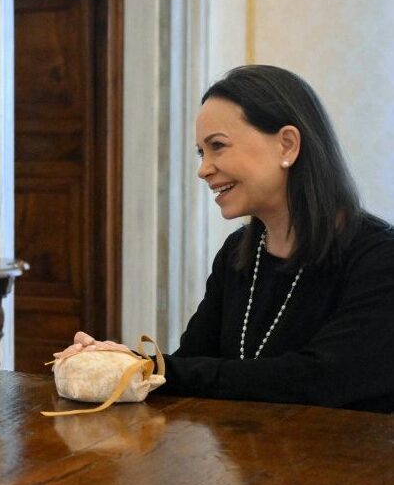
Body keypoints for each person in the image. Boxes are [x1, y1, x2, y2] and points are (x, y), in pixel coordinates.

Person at [61, 64, 394, 412]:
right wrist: (114, 364)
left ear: (287, 145)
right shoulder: (238, 252)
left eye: (217, 146)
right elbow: (191, 365)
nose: (203, 169)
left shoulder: (380, 258)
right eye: (201, 152)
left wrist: (150, 369)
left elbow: (318, 380)